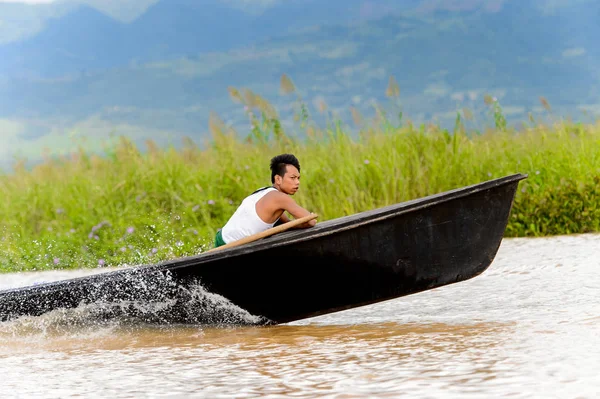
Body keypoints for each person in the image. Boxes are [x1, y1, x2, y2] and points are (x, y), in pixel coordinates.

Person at [214, 153, 316, 248]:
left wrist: (300, 223)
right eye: (293, 178)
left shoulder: (263, 191)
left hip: (221, 237)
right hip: (229, 246)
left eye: (298, 178)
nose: (297, 182)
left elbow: (286, 224)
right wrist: (308, 219)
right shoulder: (280, 198)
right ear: (278, 179)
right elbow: (311, 221)